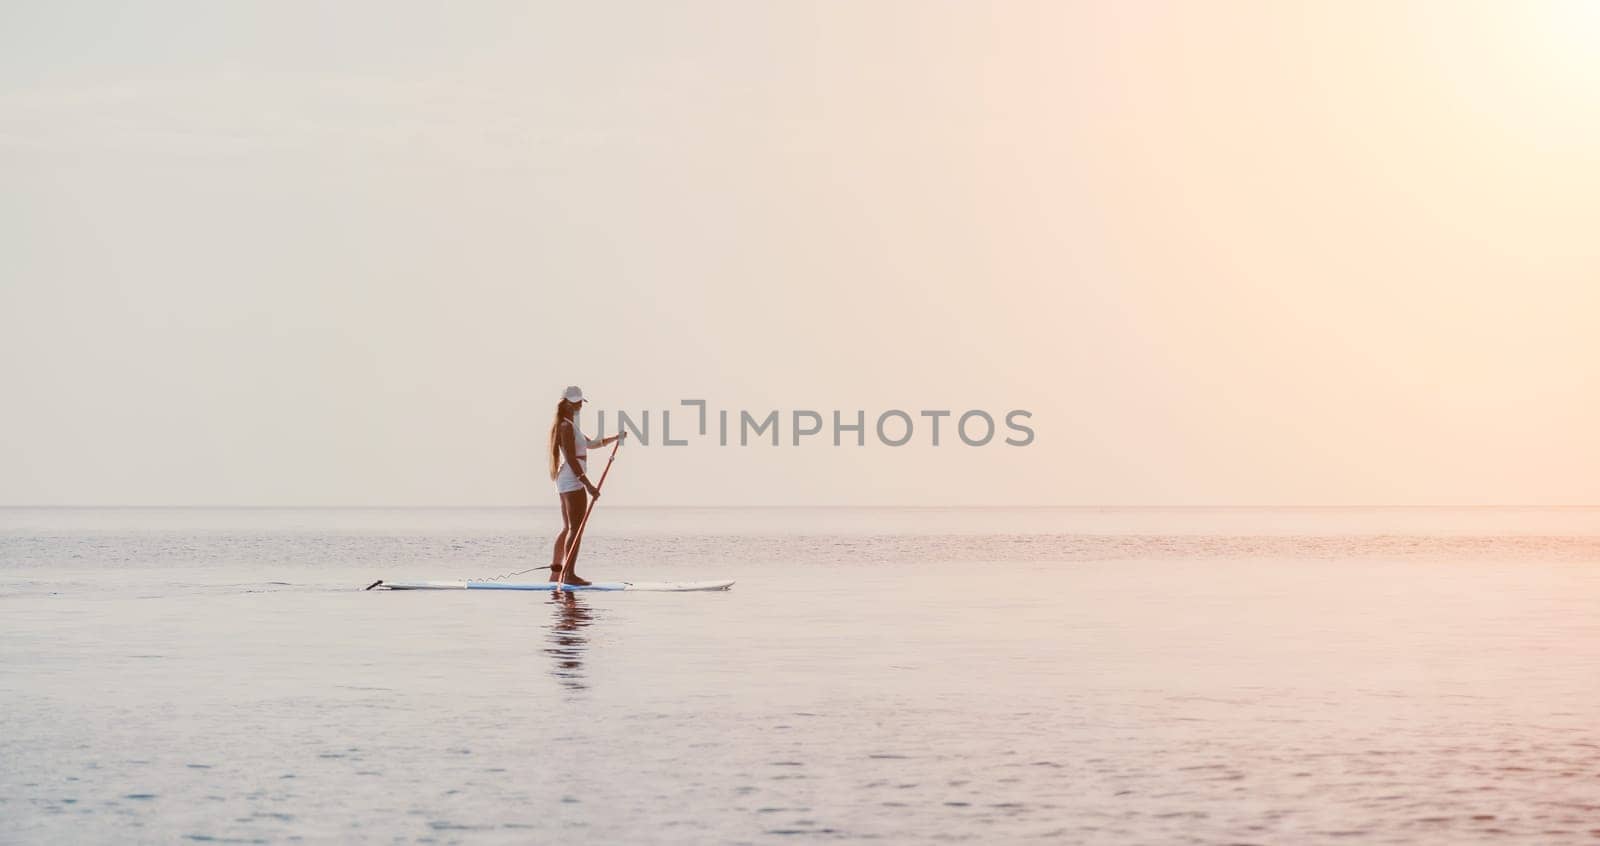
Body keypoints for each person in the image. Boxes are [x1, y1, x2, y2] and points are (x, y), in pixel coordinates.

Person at [548, 386, 620, 586]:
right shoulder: (565, 427)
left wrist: (615, 438)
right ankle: (569, 574)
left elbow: (591, 444)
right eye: (579, 403)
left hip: (567, 478)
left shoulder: (569, 424)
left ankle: (556, 574)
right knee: (576, 527)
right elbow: (571, 457)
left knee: (569, 527)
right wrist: (588, 484)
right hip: (572, 478)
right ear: (570, 404)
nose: (581, 406)